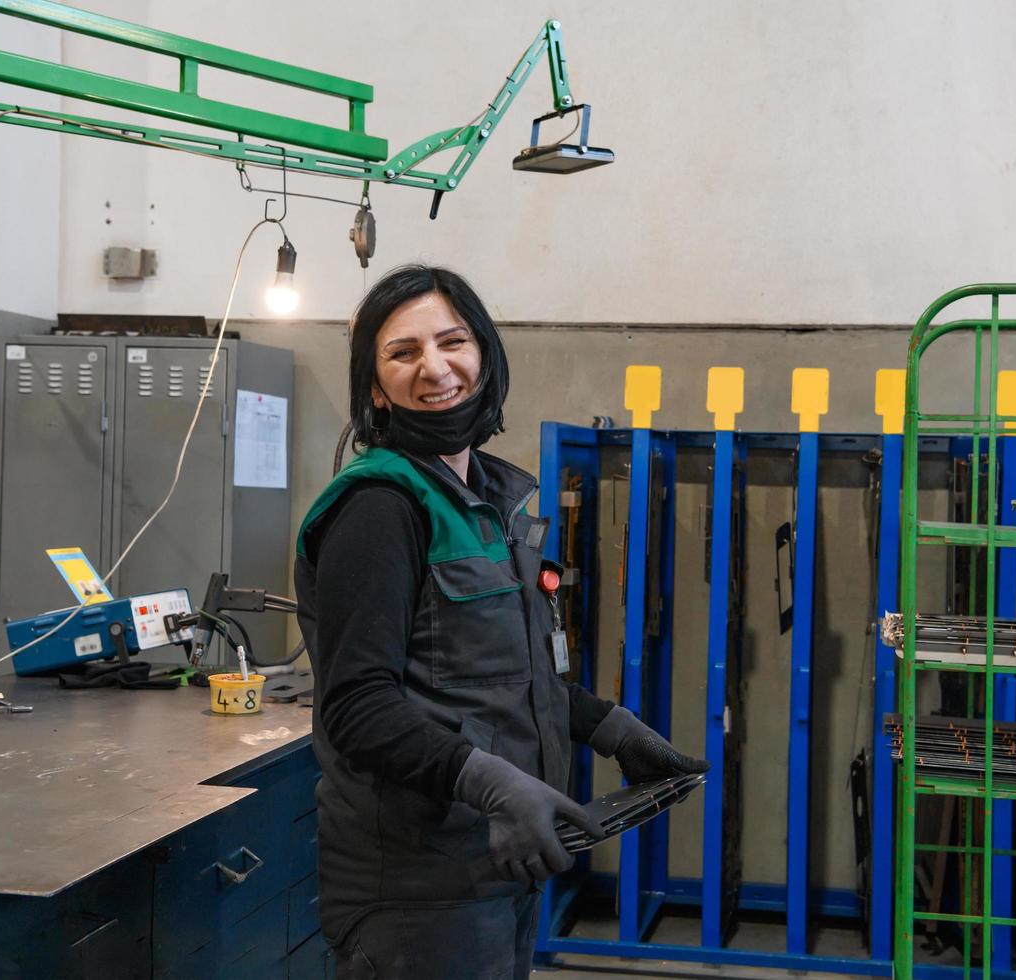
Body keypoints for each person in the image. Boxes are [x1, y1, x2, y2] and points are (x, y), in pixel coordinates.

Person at [294, 265, 708, 980]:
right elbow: (357, 706)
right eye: (403, 353)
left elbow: (489, 673)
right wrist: (493, 785)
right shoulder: (379, 509)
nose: (435, 368)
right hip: (419, 886)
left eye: (452, 341)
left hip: (494, 866)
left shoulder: (487, 493)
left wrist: (606, 724)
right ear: (373, 385)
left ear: (484, 351)